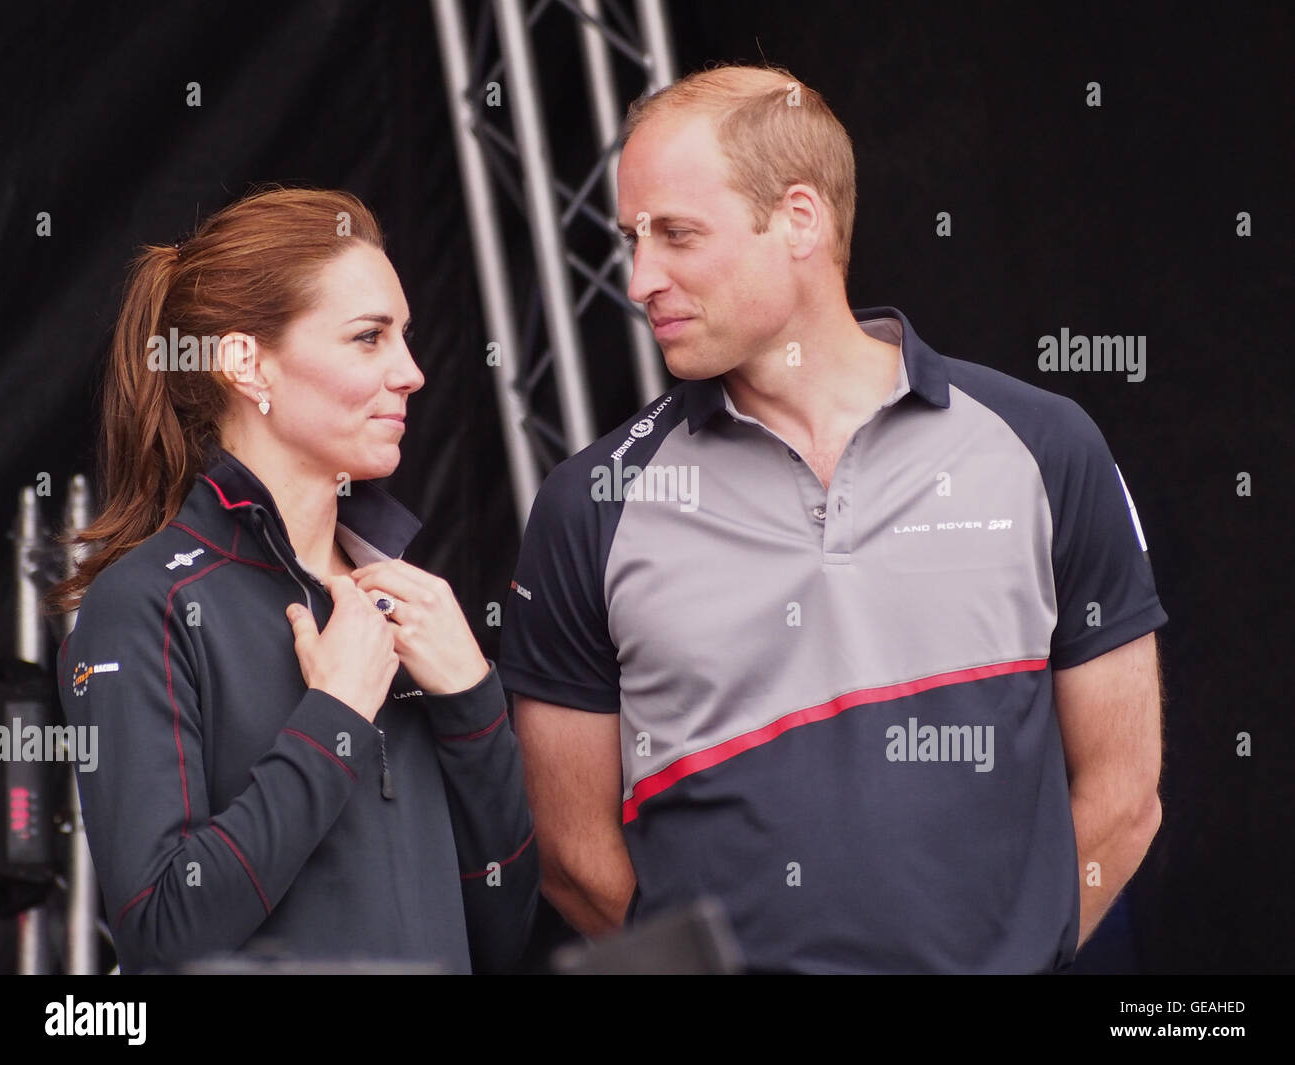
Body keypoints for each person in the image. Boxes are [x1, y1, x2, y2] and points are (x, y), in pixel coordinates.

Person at [499, 66, 1166, 973]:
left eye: (678, 235)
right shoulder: (588, 506)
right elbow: (573, 858)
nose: (639, 277)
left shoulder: (1045, 447)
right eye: (631, 239)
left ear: (801, 220)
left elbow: (1126, 793)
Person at [48, 186, 537, 974]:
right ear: (246, 362)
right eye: (369, 338)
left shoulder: (407, 601)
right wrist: (335, 716)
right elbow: (164, 929)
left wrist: (476, 704)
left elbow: (502, 937)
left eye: (404, 337)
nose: (411, 372)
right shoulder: (145, 603)